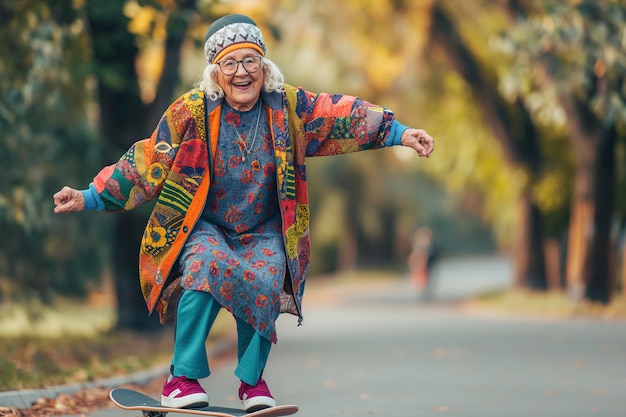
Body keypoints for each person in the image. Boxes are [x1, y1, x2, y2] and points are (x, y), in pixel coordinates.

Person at [53, 14, 434, 412]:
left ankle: (252, 385)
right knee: (203, 265)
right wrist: (90, 195)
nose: (241, 72)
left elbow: (339, 115)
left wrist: (400, 133)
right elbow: (148, 160)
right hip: (207, 225)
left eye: (250, 61)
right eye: (230, 64)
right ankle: (181, 379)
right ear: (215, 73)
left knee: (266, 277)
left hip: (265, 226)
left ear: (264, 66)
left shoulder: (287, 107)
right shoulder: (193, 111)